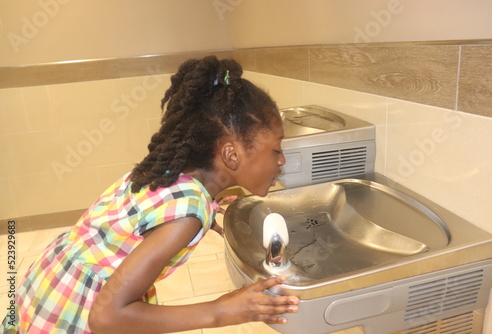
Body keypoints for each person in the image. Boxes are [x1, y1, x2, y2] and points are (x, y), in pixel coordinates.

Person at [1, 56, 299, 334]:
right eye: (276, 149)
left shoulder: (170, 175)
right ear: (231, 156)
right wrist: (221, 310)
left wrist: (206, 208)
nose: (281, 161)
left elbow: (150, 215)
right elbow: (106, 317)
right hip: (76, 310)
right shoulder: (186, 215)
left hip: (53, 279)